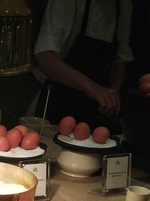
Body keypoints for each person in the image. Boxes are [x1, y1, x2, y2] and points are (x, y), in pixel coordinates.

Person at [31, 0, 134, 129]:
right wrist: (92, 87)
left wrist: (112, 93)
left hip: (96, 111)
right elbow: (43, 57)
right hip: (58, 101)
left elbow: (120, 59)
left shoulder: (124, 5)